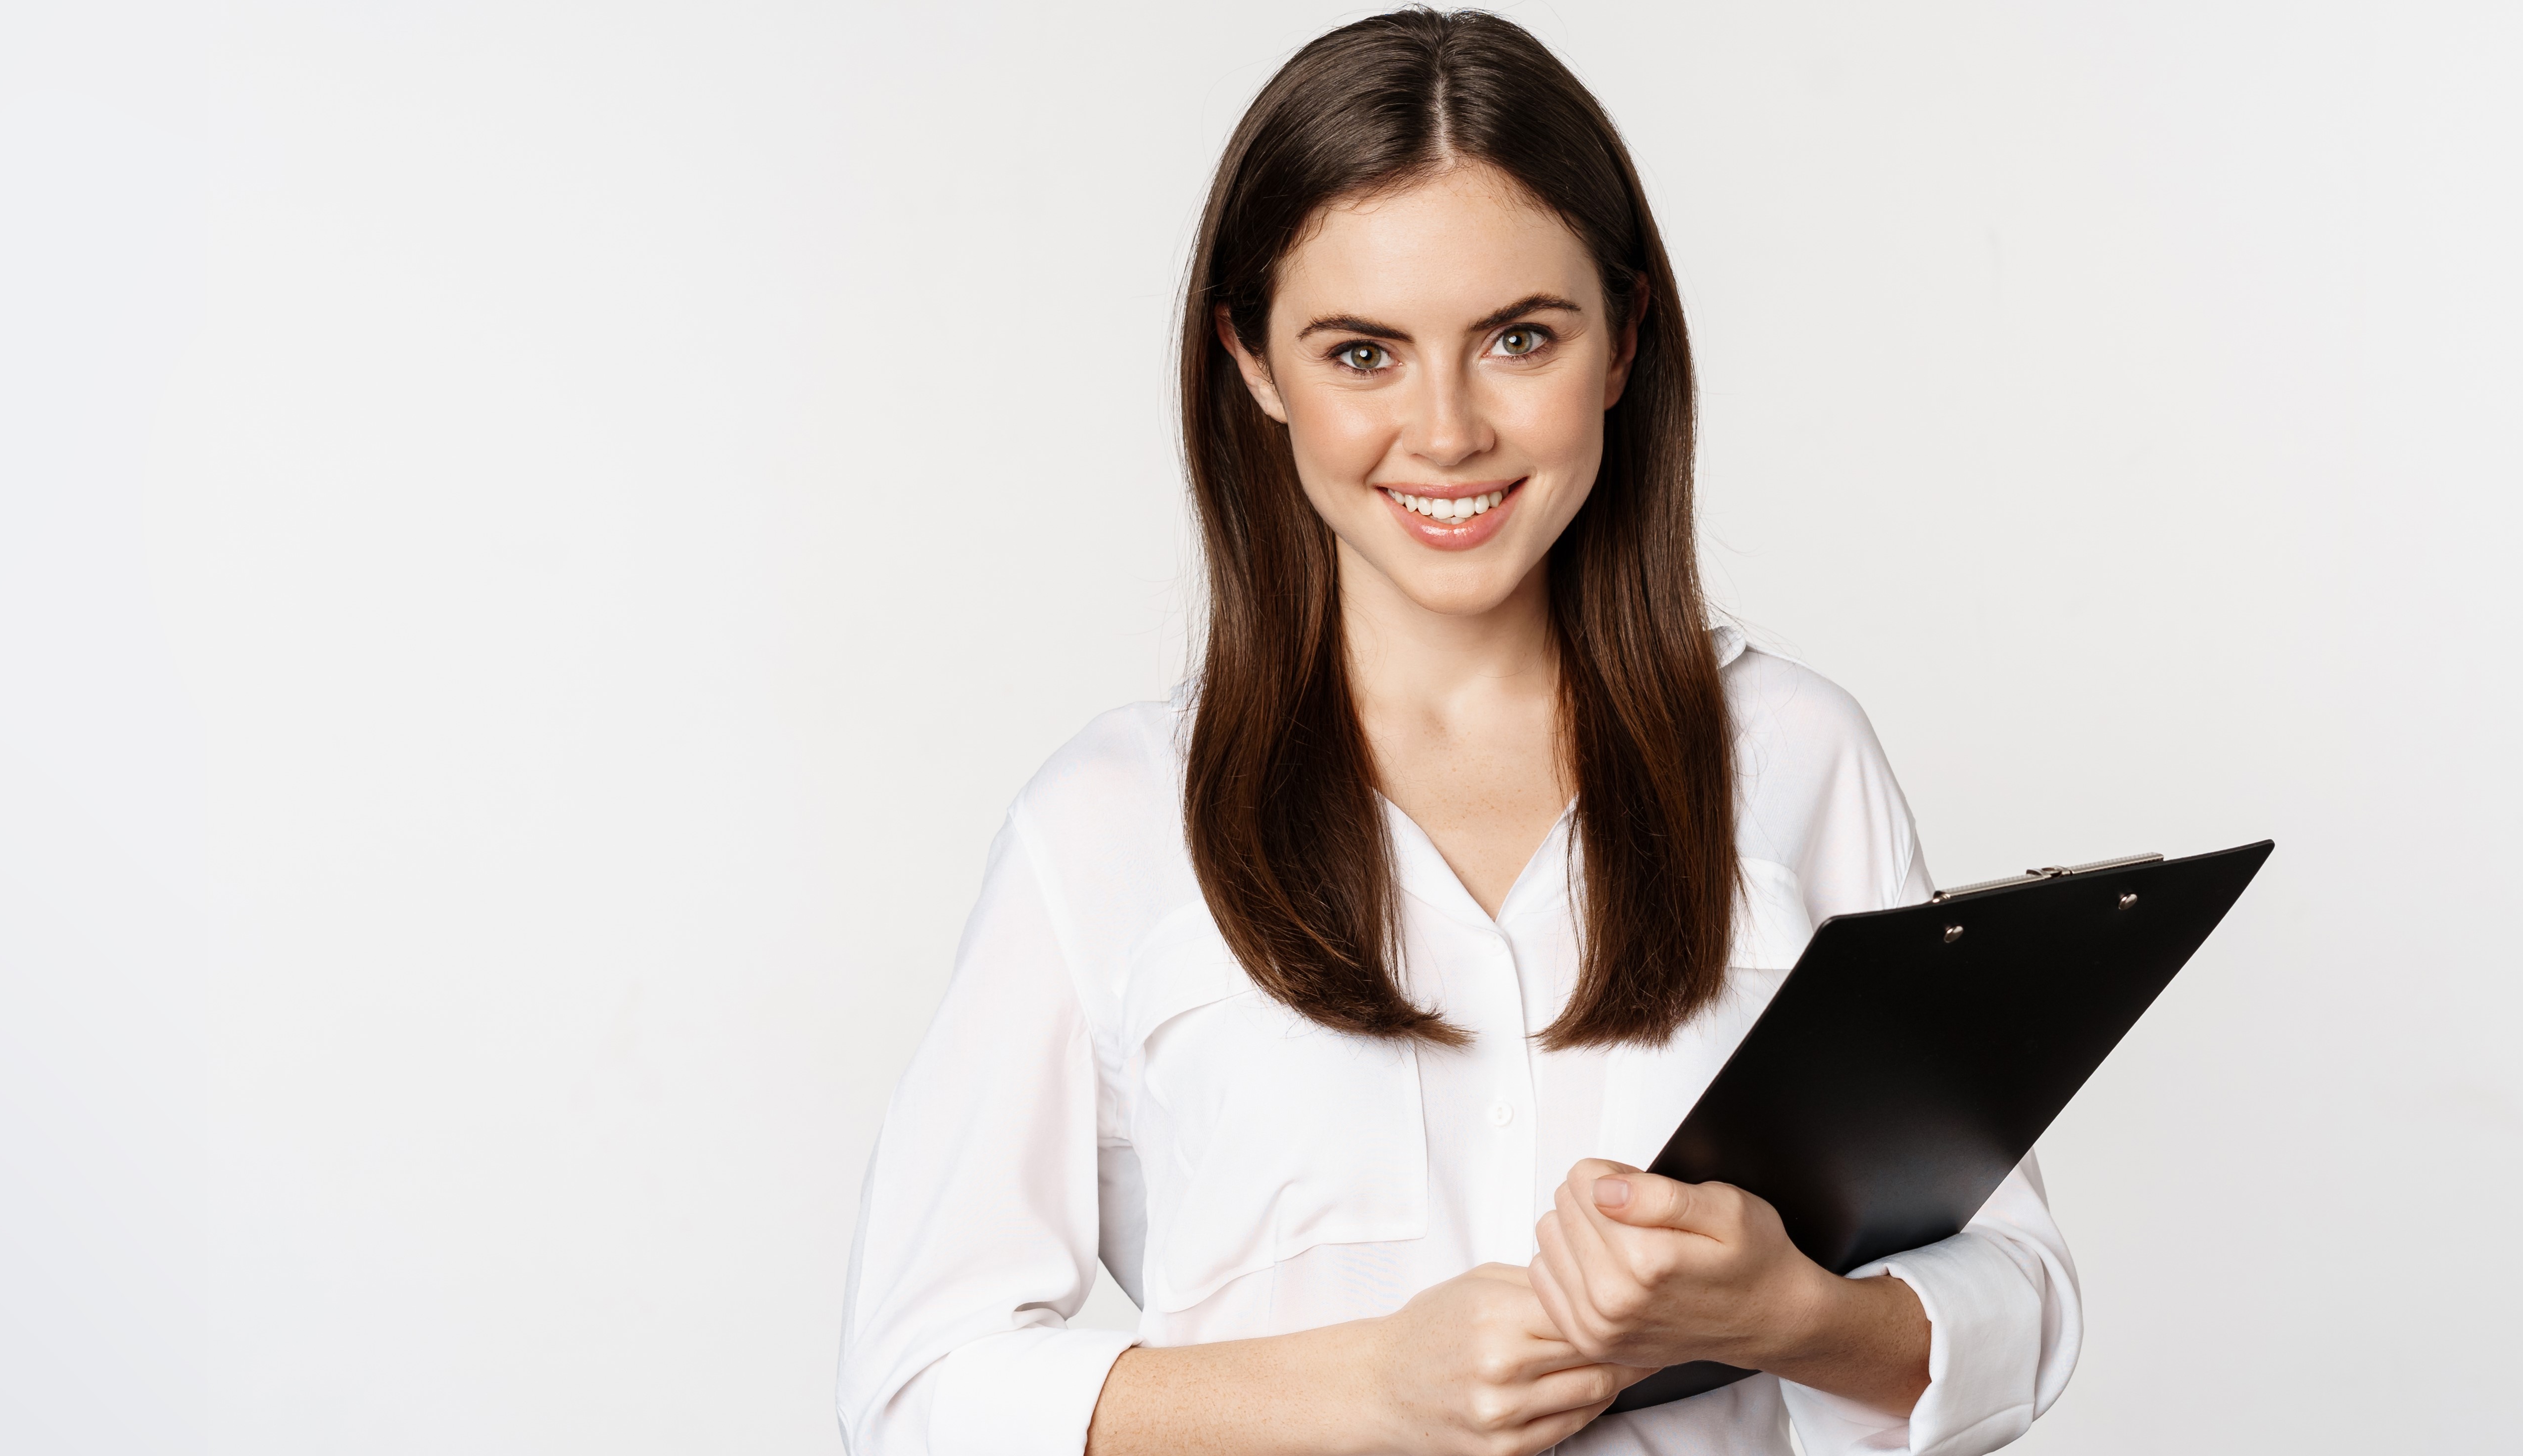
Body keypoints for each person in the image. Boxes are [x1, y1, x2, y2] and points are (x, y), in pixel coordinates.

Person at [831, 11, 2073, 1456]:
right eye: (1360, 352)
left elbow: (2015, 1298)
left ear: (1621, 342)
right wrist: (1367, 1389)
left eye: (1516, 340)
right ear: (1250, 362)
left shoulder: (1793, 755)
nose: (1445, 432)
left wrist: (1782, 1314)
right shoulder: (1105, 821)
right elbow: (919, 1388)